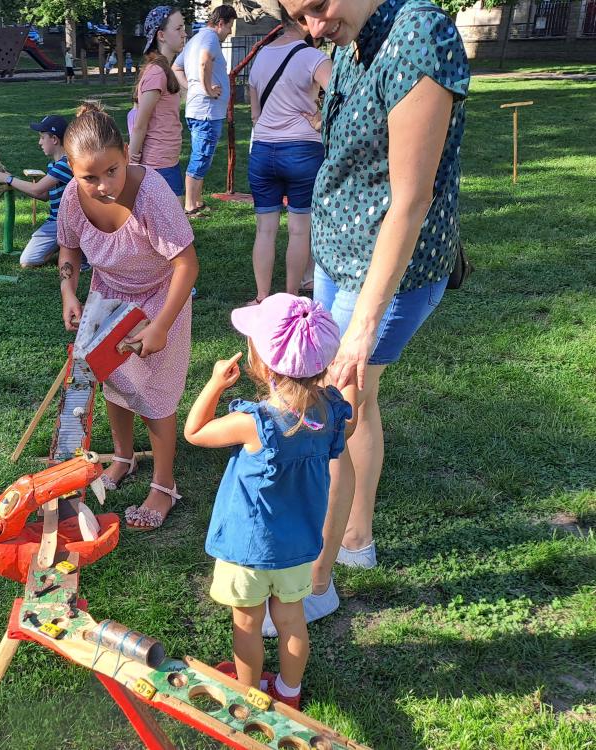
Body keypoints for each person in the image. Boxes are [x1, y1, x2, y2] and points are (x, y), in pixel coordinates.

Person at [267, 0, 470, 629]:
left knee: (332, 413)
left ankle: (315, 584)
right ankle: (355, 539)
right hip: (341, 258)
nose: (313, 27)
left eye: (317, 7)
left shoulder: (419, 36)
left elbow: (410, 199)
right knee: (358, 405)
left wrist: (361, 327)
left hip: (388, 272)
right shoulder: (350, 44)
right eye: (299, 17)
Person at [184, 294, 355, 709]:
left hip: (248, 550)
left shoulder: (253, 423)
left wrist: (215, 383)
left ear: (260, 365)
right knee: (292, 620)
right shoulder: (331, 415)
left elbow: (194, 431)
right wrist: (349, 381)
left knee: (247, 624)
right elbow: (350, 425)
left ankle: (249, 697)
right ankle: (289, 693)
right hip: (298, 548)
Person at [57, 101, 199, 531]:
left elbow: (186, 264)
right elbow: (69, 249)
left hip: (160, 298)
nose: (103, 186)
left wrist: (161, 326)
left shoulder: (152, 195)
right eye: (90, 177)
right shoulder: (72, 197)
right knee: (113, 378)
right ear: (71, 169)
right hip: (107, 295)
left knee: (154, 392)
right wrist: (68, 291)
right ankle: (123, 457)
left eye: (112, 171)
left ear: (126, 154)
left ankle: (164, 484)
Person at [245, 9, 330, 303]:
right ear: (306, 19)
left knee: (264, 230)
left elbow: (254, 113)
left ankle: (261, 297)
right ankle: (292, 296)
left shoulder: (261, 56)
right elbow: (342, 95)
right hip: (302, 151)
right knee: (299, 229)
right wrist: (319, 119)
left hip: (263, 150)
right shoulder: (313, 57)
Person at [172, 4, 237, 218]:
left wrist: (192, 87)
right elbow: (204, 61)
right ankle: (190, 206)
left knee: (203, 155)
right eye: (230, 26)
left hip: (199, 110)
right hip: (206, 112)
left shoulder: (195, 39)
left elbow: (176, 67)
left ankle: (197, 201)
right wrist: (207, 89)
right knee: (200, 157)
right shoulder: (210, 38)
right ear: (221, 23)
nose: (230, 32)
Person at [0, 115, 74, 268]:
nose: (39, 142)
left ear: (54, 139)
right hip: (57, 222)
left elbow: (37, 190)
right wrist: (12, 181)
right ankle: (64, 245)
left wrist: (8, 179)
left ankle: (68, 247)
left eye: (42, 137)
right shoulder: (55, 165)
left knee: (28, 261)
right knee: (28, 259)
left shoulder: (64, 164)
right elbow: (44, 195)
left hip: (65, 223)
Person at [128, 6, 187, 199]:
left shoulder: (164, 70)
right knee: (172, 219)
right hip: (158, 166)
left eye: (183, 28)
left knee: (174, 218)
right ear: (161, 35)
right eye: (178, 28)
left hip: (168, 162)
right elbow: (140, 124)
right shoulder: (156, 73)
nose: (184, 33)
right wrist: (132, 162)